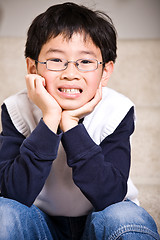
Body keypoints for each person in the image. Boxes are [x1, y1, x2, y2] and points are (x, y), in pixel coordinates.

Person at [0, 2, 159, 240]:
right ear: (32, 67)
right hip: (38, 224)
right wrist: (51, 119)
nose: (71, 73)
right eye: (56, 60)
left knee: (126, 217)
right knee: (4, 214)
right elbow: (14, 194)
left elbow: (110, 195)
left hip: (99, 220)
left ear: (105, 72)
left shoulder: (117, 110)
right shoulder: (16, 109)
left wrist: (71, 124)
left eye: (85, 62)